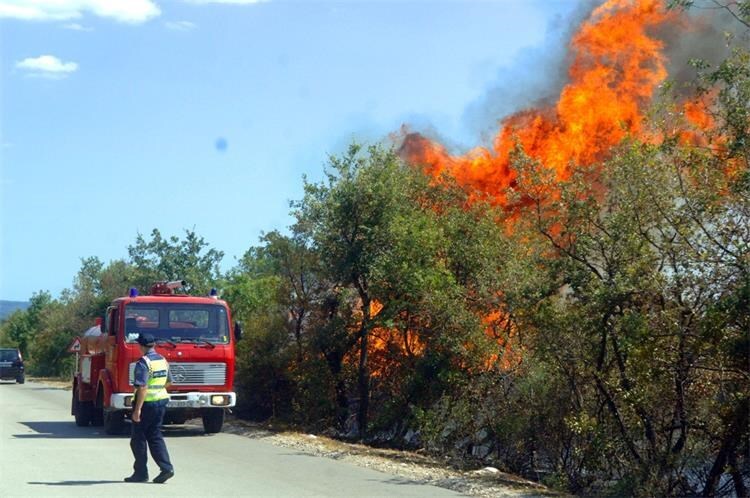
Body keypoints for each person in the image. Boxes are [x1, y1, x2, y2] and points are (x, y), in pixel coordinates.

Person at [124, 333, 175, 484]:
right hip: (161, 401)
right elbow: (169, 382)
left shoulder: (143, 363)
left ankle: (140, 473)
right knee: (155, 436)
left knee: (138, 439)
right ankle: (166, 468)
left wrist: (137, 409)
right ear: (153, 345)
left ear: (141, 346)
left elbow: (143, 387)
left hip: (146, 403)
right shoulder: (162, 360)